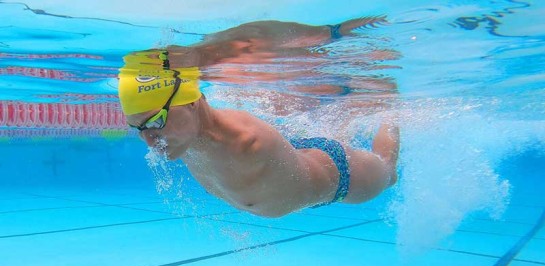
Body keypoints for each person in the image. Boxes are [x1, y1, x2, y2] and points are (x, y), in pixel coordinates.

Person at [118, 18, 400, 217]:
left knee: (387, 172)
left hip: (342, 178)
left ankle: (391, 107)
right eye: (138, 129)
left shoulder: (249, 142)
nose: (149, 140)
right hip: (299, 158)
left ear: (192, 102)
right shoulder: (183, 137)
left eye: (155, 122)